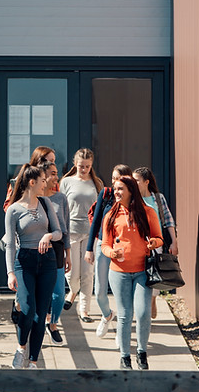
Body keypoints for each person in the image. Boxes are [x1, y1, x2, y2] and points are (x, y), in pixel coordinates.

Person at [101, 176, 163, 370]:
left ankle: (142, 352)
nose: (116, 192)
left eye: (120, 189)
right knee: (125, 315)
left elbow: (159, 237)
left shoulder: (148, 212)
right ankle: (125, 357)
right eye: (115, 189)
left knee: (143, 313)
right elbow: (104, 244)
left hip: (142, 271)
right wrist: (112, 252)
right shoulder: (110, 215)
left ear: (130, 190)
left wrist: (154, 242)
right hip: (118, 272)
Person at [4, 164, 62, 369]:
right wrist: (10, 272)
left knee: (41, 314)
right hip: (24, 262)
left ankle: (33, 361)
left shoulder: (46, 203)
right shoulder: (13, 210)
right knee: (27, 309)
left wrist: (48, 235)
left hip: (47, 261)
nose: (46, 183)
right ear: (32, 182)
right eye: (43, 180)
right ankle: (21, 349)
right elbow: (10, 244)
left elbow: (58, 232)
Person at [85, 164, 133, 338]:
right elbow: (96, 222)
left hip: (123, 249)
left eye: (118, 179)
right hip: (103, 246)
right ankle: (107, 315)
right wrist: (89, 248)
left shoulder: (133, 200)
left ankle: (122, 334)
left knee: (123, 294)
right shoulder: (106, 194)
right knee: (99, 292)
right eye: (113, 178)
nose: (114, 183)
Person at [60, 148, 103, 322]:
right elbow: (60, 207)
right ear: (75, 164)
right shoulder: (66, 182)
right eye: (81, 166)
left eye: (87, 166)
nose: (84, 169)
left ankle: (84, 310)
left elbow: (100, 208)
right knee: (71, 273)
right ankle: (73, 291)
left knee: (87, 273)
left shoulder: (96, 183)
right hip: (70, 232)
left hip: (90, 232)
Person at [132, 167, 178, 319]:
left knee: (155, 274)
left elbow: (168, 220)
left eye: (137, 180)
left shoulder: (158, 198)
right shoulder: (132, 198)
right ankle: (140, 306)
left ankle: (152, 299)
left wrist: (174, 242)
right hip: (137, 244)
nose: (134, 182)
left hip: (156, 242)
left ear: (146, 182)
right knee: (139, 275)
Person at [40, 160, 71, 346]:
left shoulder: (61, 198)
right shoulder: (32, 200)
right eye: (53, 173)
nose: (56, 177)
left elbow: (65, 228)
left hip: (58, 249)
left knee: (59, 294)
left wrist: (68, 254)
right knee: (39, 293)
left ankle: (52, 323)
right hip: (37, 249)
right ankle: (41, 323)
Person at [3, 146, 56, 212]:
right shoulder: (22, 179)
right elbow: (8, 206)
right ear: (39, 161)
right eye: (51, 161)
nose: (53, 164)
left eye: (54, 161)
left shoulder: (52, 181)